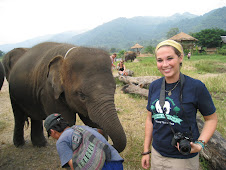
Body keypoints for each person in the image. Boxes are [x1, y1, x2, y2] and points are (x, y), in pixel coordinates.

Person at [141, 40, 217, 170]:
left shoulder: (196, 87)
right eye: (160, 60)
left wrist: (200, 144)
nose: (165, 64)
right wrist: (146, 150)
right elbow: (150, 119)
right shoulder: (154, 86)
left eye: (170, 58)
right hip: (157, 153)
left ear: (180, 57)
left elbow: (211, 119)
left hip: (183, 159)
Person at [44, 113, 124, 170]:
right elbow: (100, 131)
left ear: (52, 131)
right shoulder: (81, 127)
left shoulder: (61, 141)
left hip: (101, 167)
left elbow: (73, 166)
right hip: (116, 162)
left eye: (50, 135)